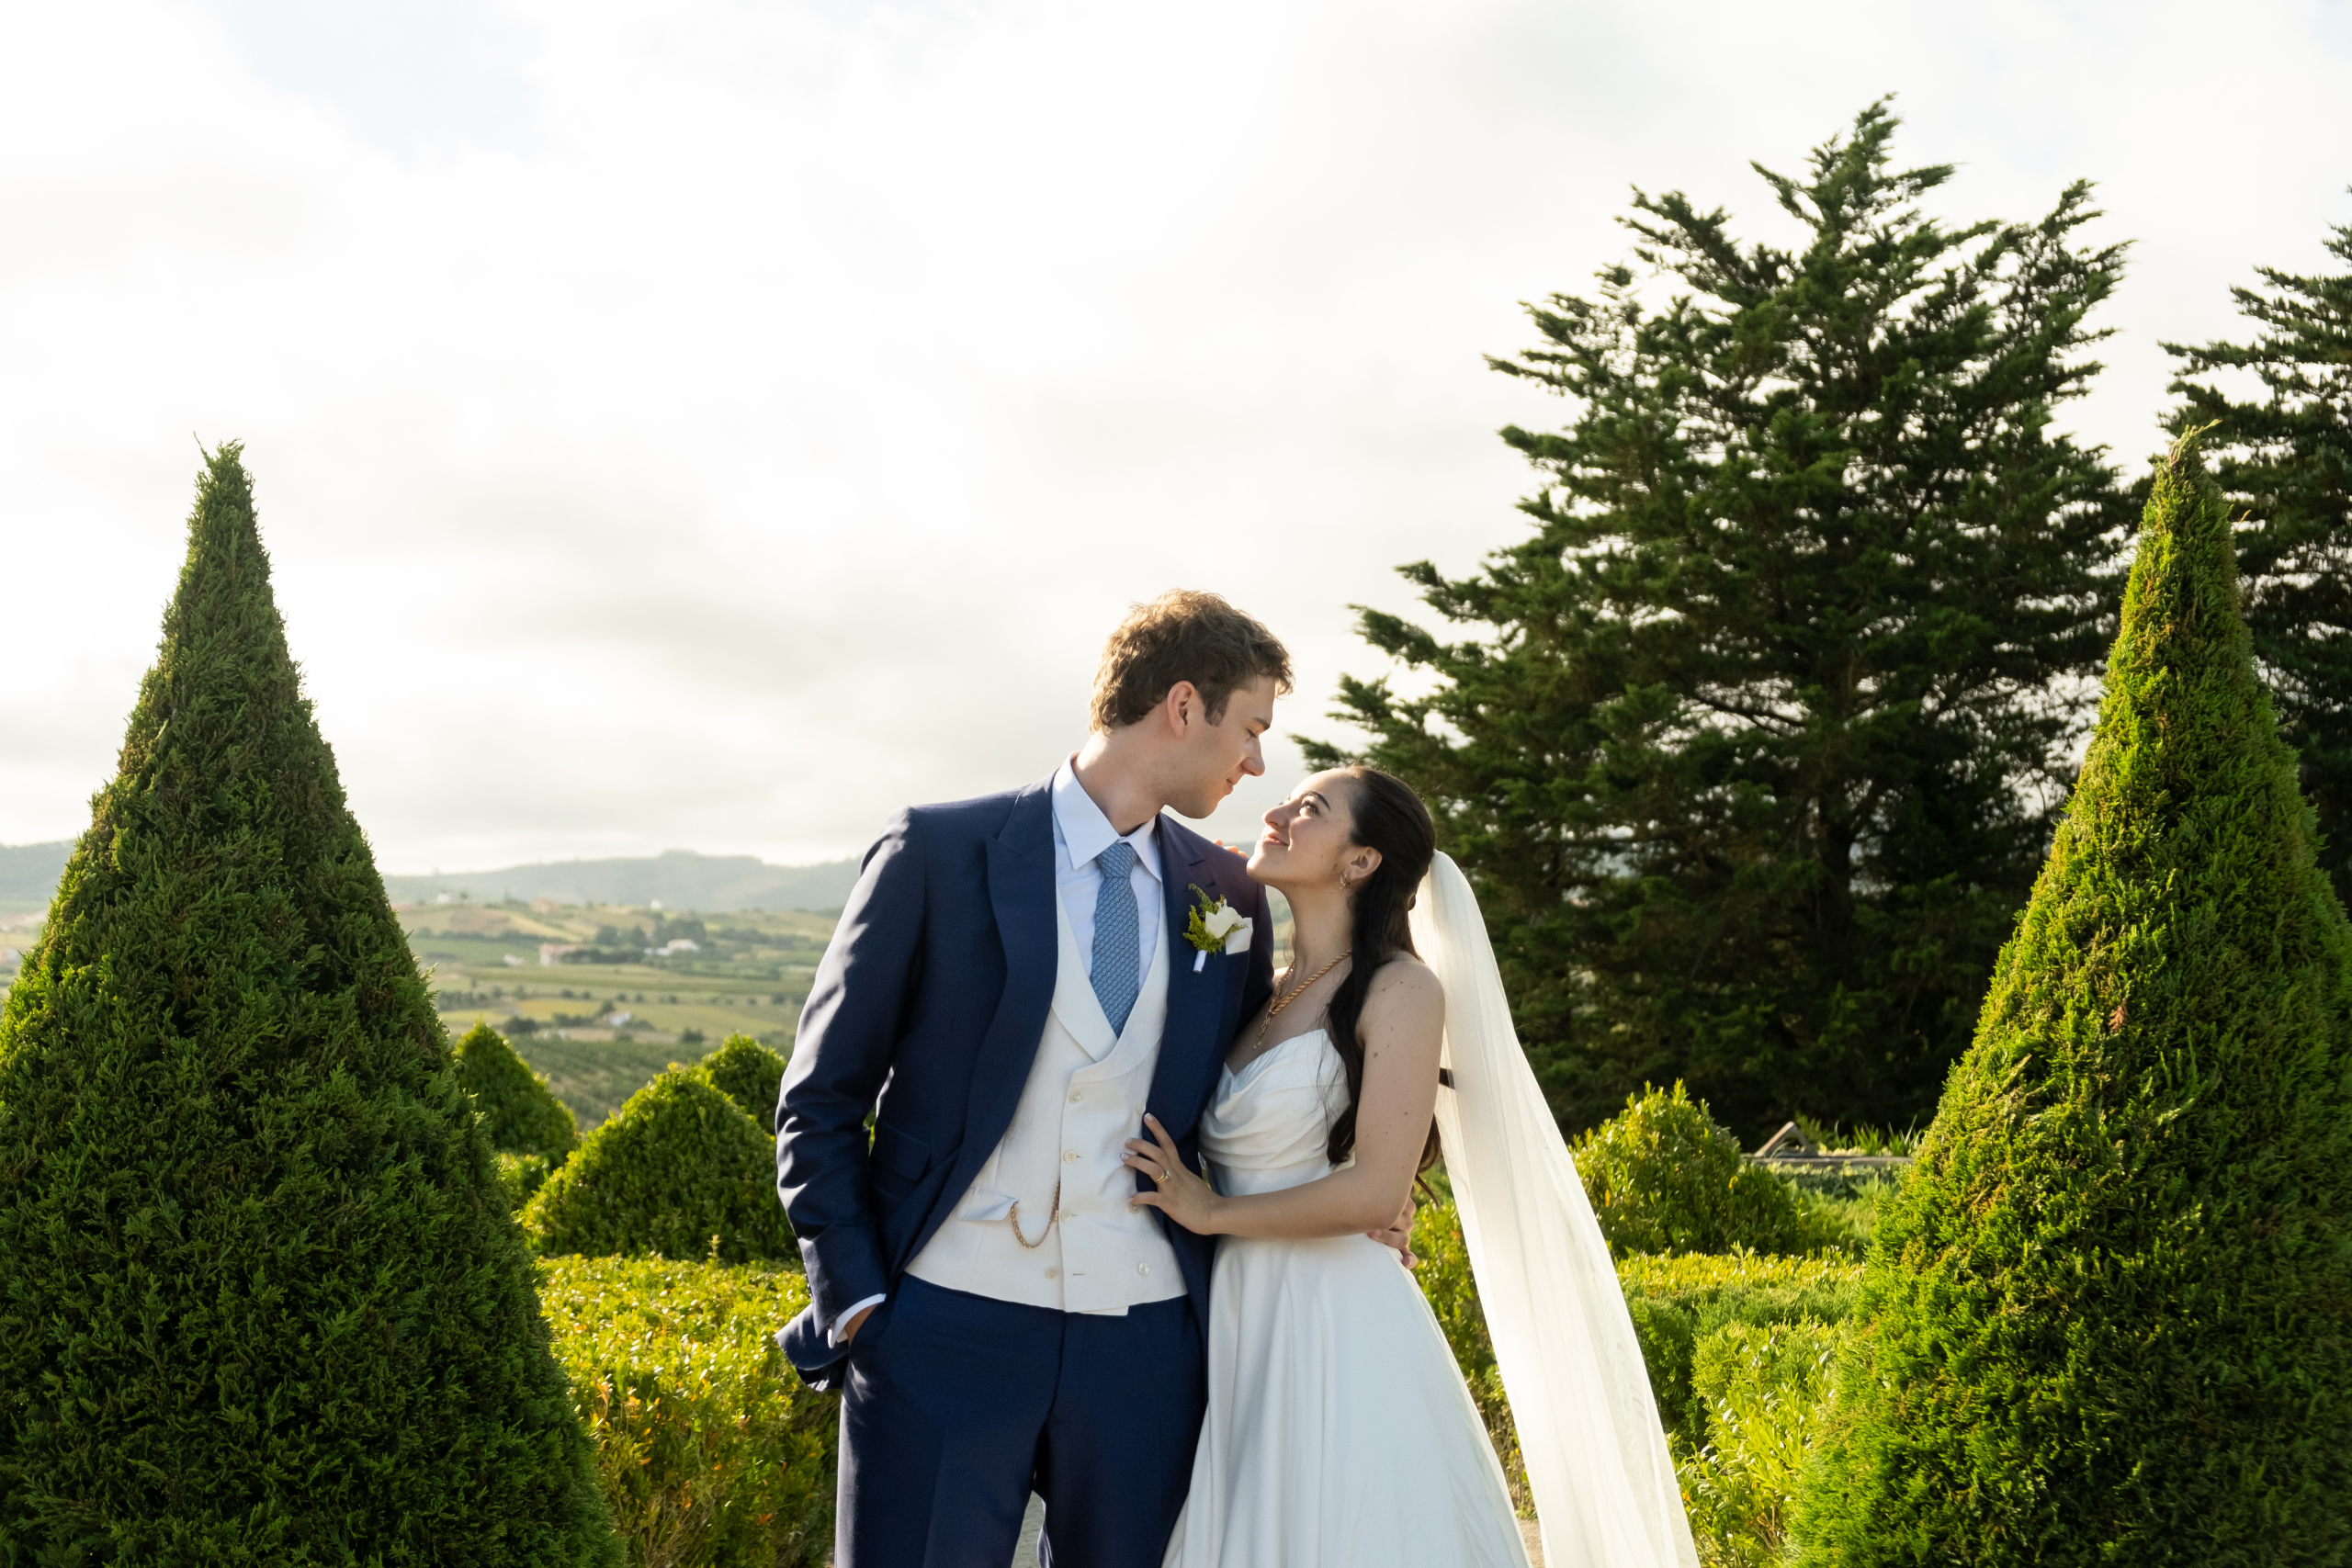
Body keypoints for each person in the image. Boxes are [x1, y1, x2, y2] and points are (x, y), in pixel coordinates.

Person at [775, 592, 1412, 1567]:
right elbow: (821, 1098)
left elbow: (1245, 1093)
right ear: (1183, 705)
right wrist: (857, 1299)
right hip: (947, 1318)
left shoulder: (1229, 894)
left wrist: (1355, 1198)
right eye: (1249, 729)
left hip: (1148, 1341)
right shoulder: (938, 852)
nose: (1254, 766)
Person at [1129, 765, 1700, 1568]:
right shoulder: (1262, 986)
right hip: (1240, 1311)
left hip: (1333, 1321)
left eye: (1311, 808)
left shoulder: (1403, 989)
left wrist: (1213, 1210)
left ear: (1362, 861)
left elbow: (1377, 1188)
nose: (1280, 811)